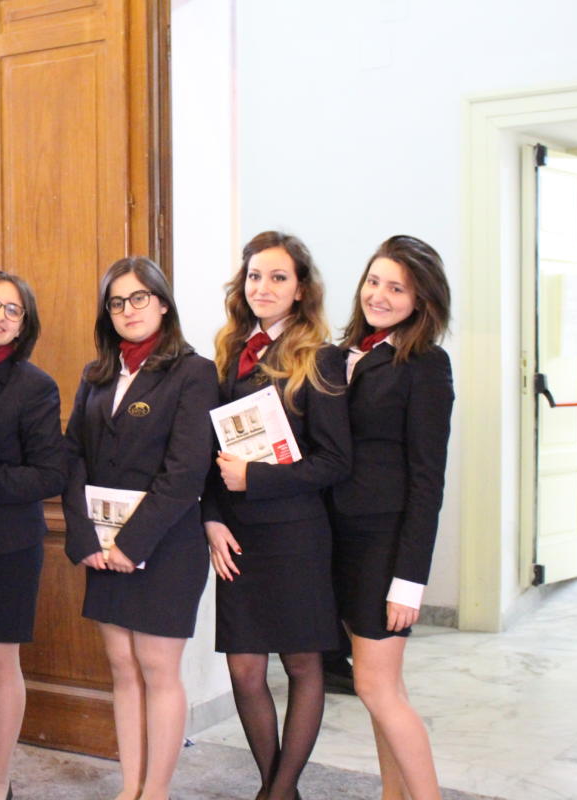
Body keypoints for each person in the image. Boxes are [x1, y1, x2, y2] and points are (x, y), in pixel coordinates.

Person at [62, 257, 217, 800]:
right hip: (102, 546)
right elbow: (73, 457)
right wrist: (84, 537)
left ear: (163, 303)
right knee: (122, 667)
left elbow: (185, 472)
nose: (128, 310)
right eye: (117, 302)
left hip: (165, 544)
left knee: (157, 669)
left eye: (139, 298)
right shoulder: (96, 374)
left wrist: (132, 544)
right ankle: (130, 787)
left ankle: (156, 791)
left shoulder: (194, 373)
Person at [204, 231, 351, 800]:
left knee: (302, 664)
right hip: (239, 534)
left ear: (300, 290)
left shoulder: (321, 357)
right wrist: (211, 517)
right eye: (255, 276)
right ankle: (279, 790)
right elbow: (207, 452)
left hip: (296, 535)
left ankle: (277, 791)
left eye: (278, 277)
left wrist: (257, 478)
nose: (263, 287)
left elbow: (335, 462)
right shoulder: (228, 353)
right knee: (244, 668)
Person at [329, 234, 453, 800]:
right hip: (342, 538)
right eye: (373, 281)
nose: (378, 295)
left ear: (421, 300)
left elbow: (428, 480)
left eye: (396, 288)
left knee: (377, 689)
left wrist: (410, 579)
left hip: (383, 544)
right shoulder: (348, 353)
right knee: (381, 688)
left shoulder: (426, 363)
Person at [0, 271, 66, 800]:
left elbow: (49, 474)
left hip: (5, 544)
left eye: (12, 310)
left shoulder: (34, 386)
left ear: (23, 326)